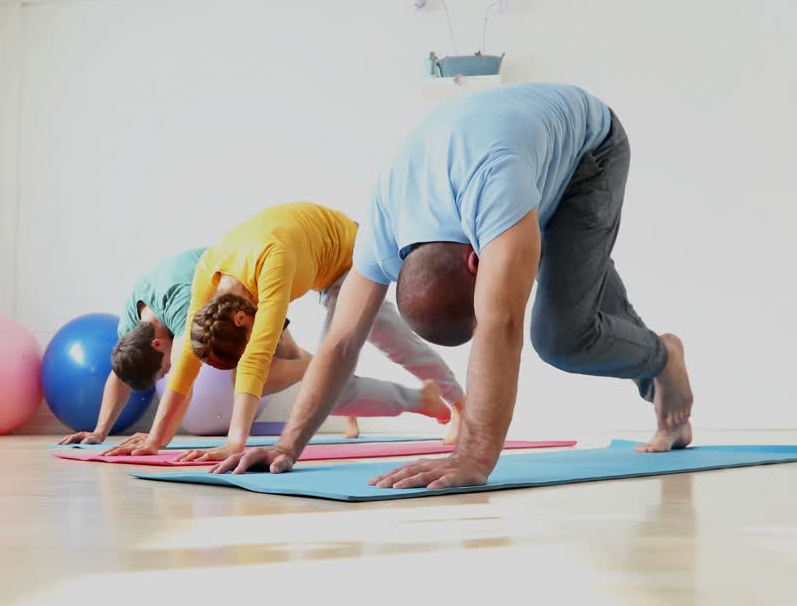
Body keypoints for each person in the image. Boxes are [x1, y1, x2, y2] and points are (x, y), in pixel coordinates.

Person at [213, 83, 694, 489]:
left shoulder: (495, 190)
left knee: (561, 337)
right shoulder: (381, 232)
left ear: (476, 260)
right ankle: (660, 363)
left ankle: (662, 358)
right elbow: (340, 343)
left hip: (590, 149)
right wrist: (286, 447)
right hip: (515, 147)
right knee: (573, 288)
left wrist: (474, 455)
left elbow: (501, 324)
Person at [103, 201, 466, 463]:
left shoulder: (272, 266)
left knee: (386, 349)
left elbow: (256, 360)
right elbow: (185, 361)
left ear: (242, 320)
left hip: (352, 256)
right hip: (320, 266)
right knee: (329, 388)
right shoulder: (208, 271)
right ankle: (425, 400)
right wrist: (156, 439)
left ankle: (461, 405)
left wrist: (235, 443)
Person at [58, 248, 362, 445]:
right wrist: (99, 432)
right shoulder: (130, 329)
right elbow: (118, 376)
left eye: (162, 370)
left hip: (246, 284)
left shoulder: (180, 310)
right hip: (220, 292)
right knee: (281, 365)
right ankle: (331, 374)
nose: (166, 374)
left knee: (282, 359)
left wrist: (155, 439)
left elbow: (184, 383)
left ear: (158, 344)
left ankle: (331, 374)